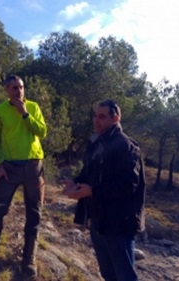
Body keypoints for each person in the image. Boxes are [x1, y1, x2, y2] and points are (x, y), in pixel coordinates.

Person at [61, 99, 145, 281]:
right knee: (108, 275)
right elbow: (87, 174)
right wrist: (74, 183)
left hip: (119, 223)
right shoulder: (97, 144)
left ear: (115, 118)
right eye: (95, 116)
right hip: (98, 220)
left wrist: (92, 191)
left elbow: (129, 184)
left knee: (125, 277)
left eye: (102, 117)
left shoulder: (125, 146)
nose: (96, 120)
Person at [0, 74, 47, 278]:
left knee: (34, 215)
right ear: (6, 90)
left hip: (34, 167)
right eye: (14, 88)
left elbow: (42, 132)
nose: (19, 91)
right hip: (8, 168)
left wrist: (25, 113)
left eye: (21, 87)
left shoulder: (33, 107)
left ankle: (29, 262)